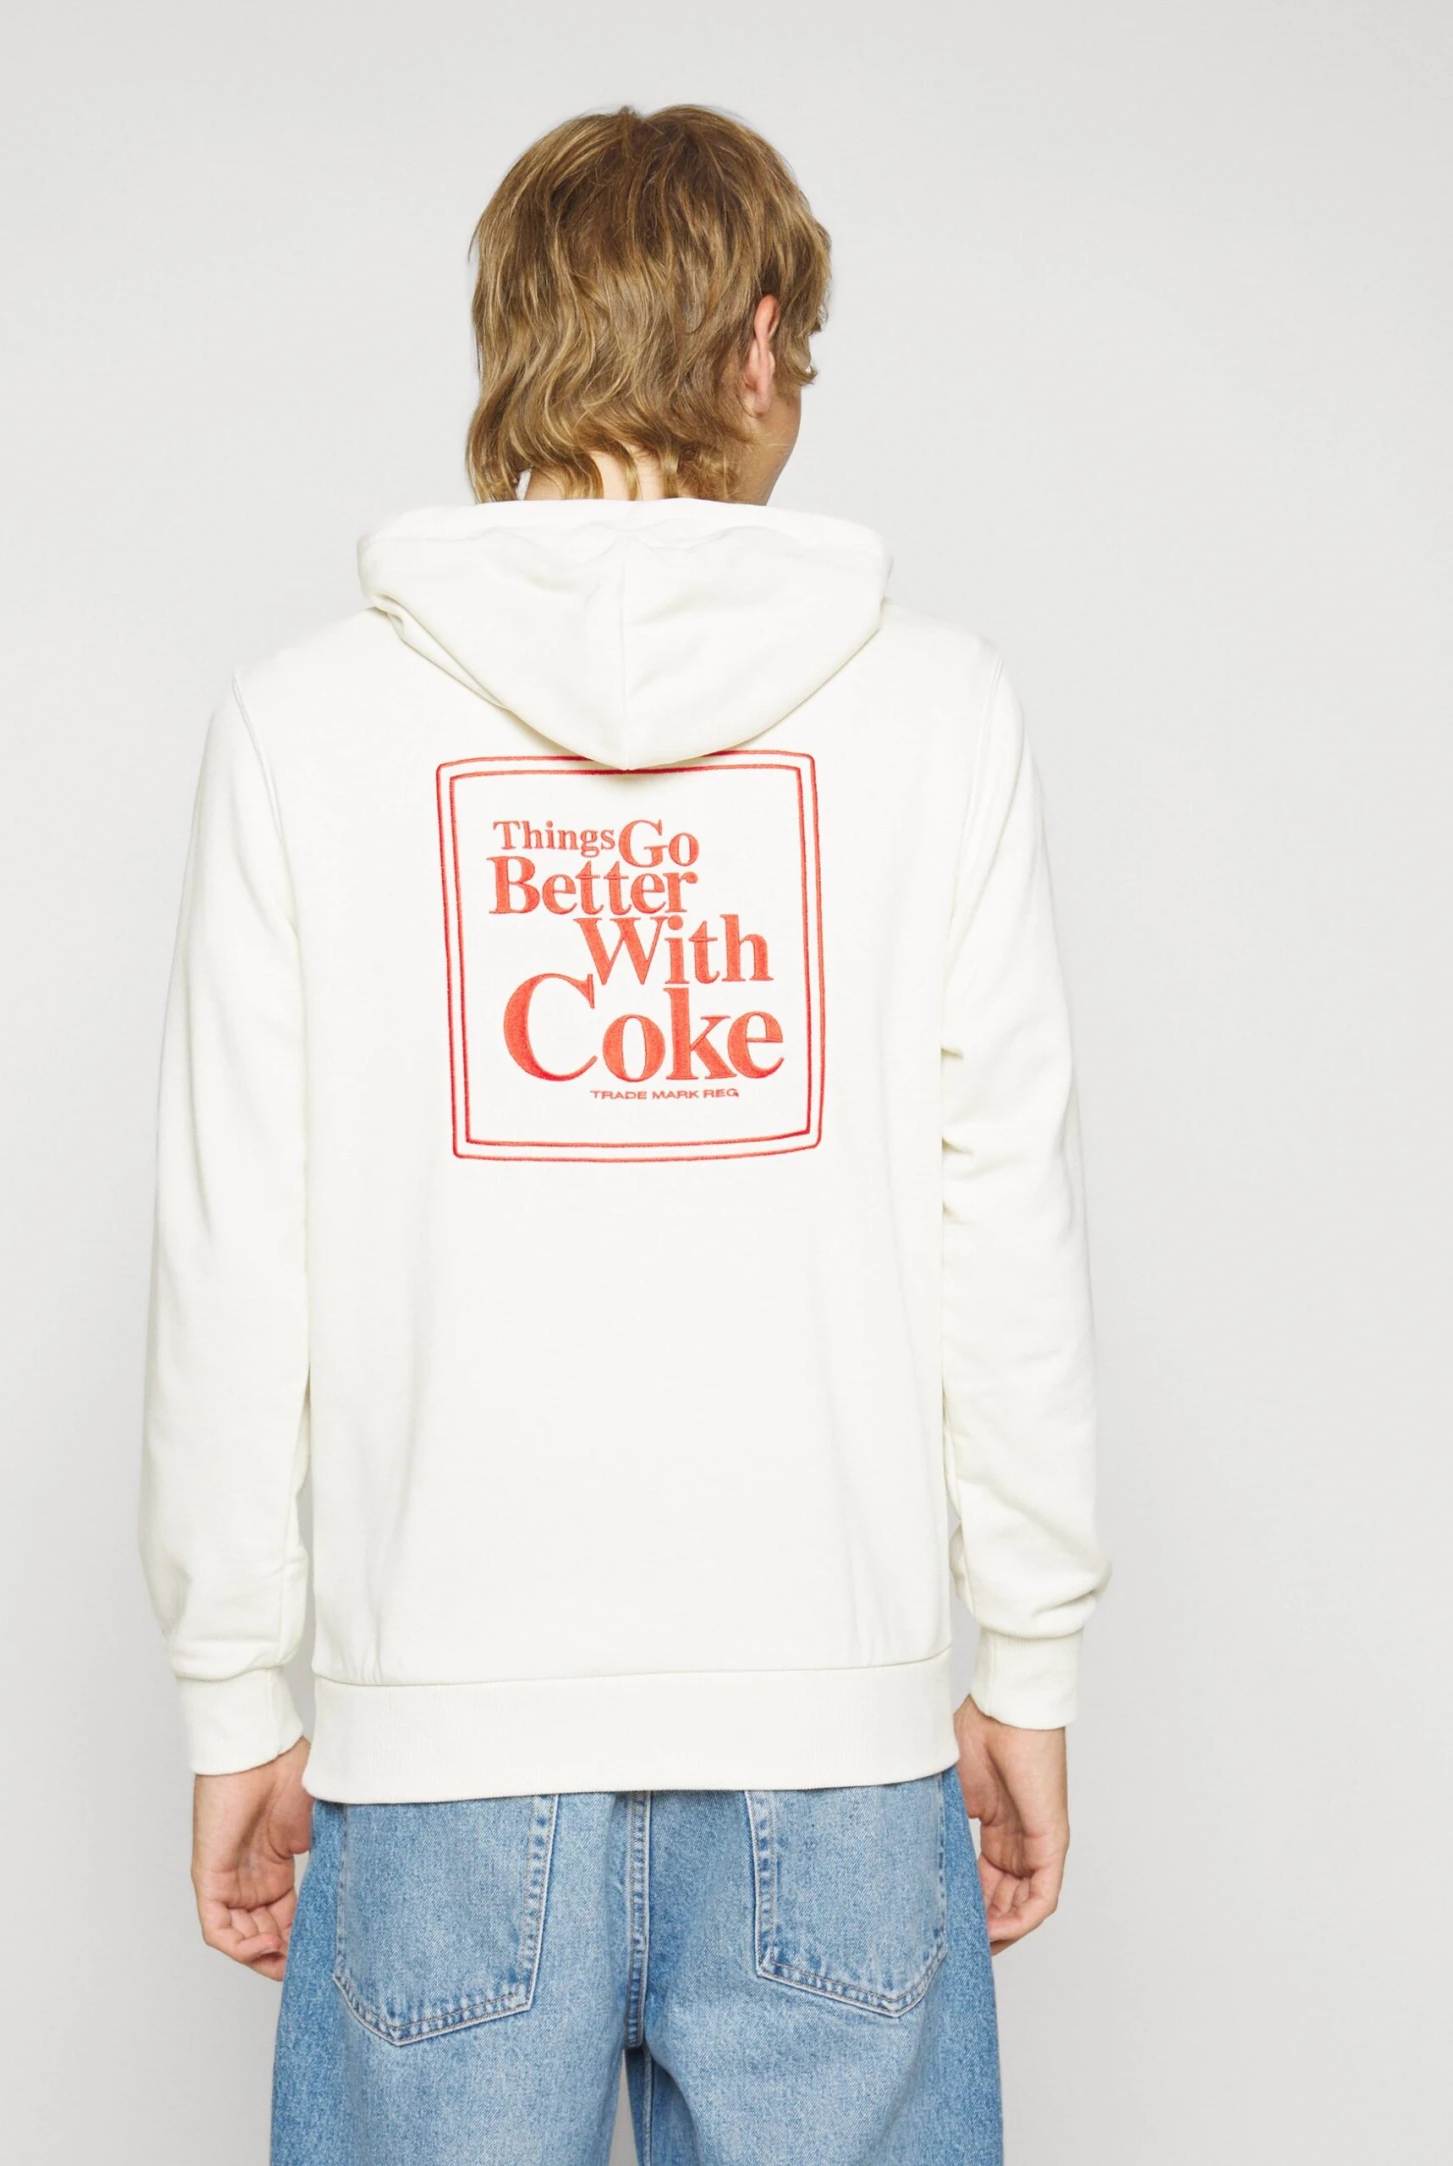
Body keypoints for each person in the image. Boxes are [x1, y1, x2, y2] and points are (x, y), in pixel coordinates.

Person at [141, 103, 1109, 2166]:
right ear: (757, 344)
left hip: (440, 1761)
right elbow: (1004, 1222)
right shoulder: (938, 715)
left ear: (519, 340)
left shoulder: (306, 730)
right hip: (833, 1748)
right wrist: (1025, 1658)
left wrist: (237, 1696)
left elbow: (235, 1257)